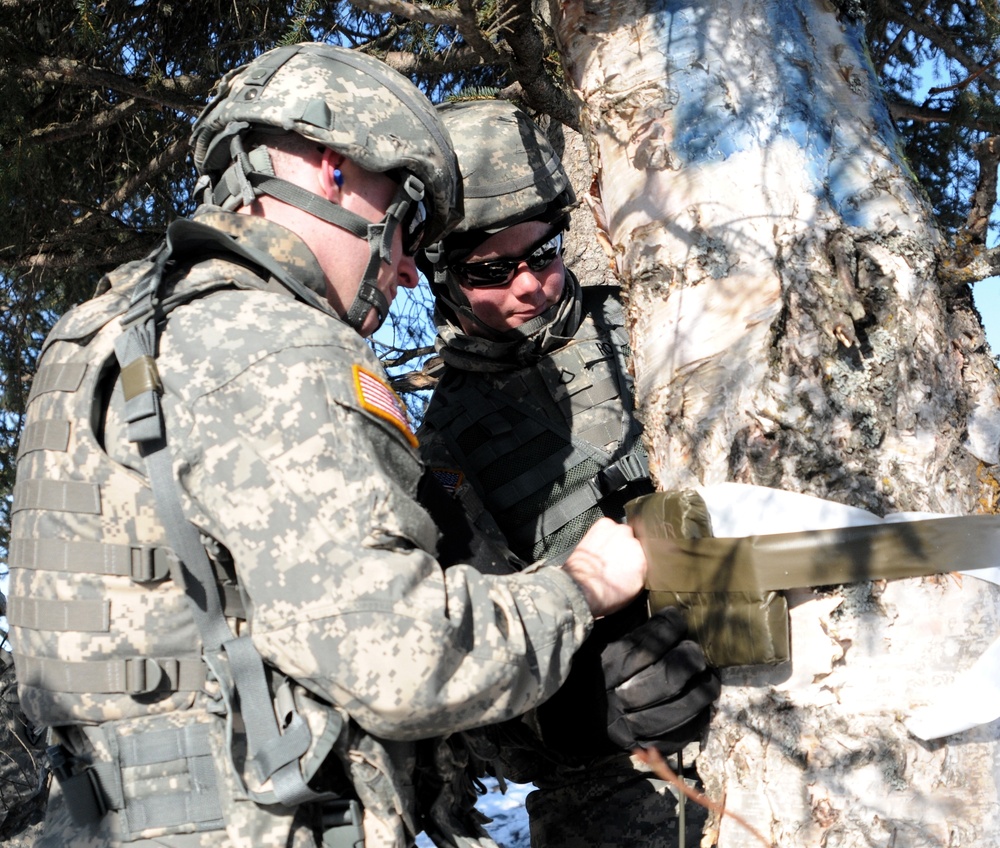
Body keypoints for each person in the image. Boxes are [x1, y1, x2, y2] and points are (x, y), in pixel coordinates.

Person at [6, 44, 653, 848]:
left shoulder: (99, 335)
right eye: (407, 223)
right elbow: (404, 661)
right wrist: (582, 585)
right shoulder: (276, 340)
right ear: (333, 171)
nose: (409, 271)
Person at [417, 100, 721, 847]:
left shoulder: (658, 322)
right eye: (491, 268)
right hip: (620, 772)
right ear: (441, 277)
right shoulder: (440, 453)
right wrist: (589, 712)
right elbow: (465, 680)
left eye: (544, 254)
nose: (530, 286)